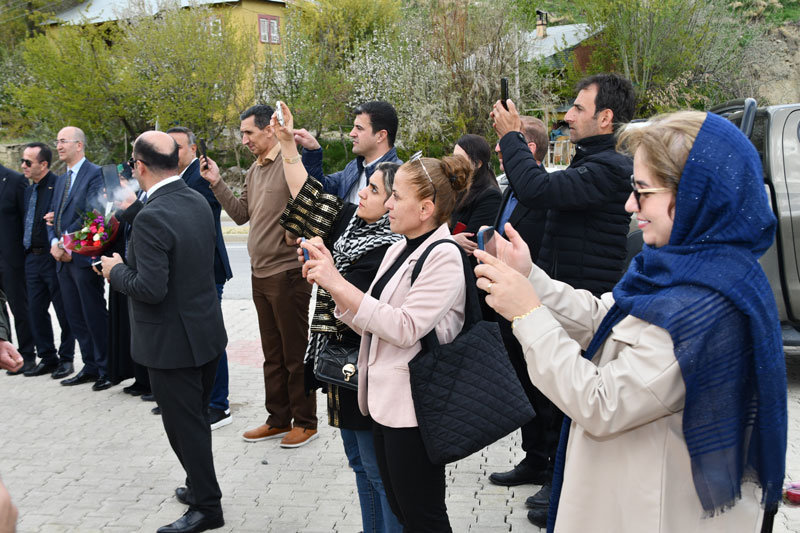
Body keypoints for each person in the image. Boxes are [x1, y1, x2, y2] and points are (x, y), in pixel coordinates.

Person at [474, 111, 786, 533]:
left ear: (696, 194)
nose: (628, 204)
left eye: (642, 191)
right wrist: (532, 279)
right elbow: (610, 319)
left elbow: (602, 403)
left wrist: (529, 314)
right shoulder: (680, 267)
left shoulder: (707, 307)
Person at [490, 73, 635, 524]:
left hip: (587, 299)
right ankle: (538, 459)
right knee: (539, 380)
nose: (567, 116)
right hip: (562, 291)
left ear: (605, 117)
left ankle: (562, 481)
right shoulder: (589, 161)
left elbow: (538, 190)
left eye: (577, 108)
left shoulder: (611, 168)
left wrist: (513, 137)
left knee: (567, 394)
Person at [300, 153, 472, 531]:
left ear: (426, 208)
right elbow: (376, 319)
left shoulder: (443, 255)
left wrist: (337, 283)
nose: (388, 204)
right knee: (401, 506)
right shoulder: (400, 246)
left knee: (422, 514)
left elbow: (406, 327)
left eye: (396, 196)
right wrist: (335, 289)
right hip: (383, 401)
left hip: (416, 408)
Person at [276, 102, 404, 533]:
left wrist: (328, 273)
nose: (361, 193)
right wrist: (286, 144)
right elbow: (308, 197)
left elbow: (366, 307)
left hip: (367, 370)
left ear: (395, 204)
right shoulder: (352, 225)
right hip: (339, 367)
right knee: (360, 468)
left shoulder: (392, 248)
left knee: (379, 473)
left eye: (372, 189)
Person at [103, 131, 227, 533]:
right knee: (193, 423)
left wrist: (114, 270)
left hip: (172, 343)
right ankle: (198, 486)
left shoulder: (155, 215)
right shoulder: (194, 198)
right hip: (205, 332)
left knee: (184, 428)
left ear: (139, 166)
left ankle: (207, 508)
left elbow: (150, 288)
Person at [200, 105, 317, 448]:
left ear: (270, 130)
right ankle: (278, 419)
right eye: (242, 133)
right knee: (272, 353)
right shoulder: (255, 169)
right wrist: (217, 182)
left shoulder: (291, 163)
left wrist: (294, 231)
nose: (244, 139)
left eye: (249, 132)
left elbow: (308, 202)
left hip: (288, 274)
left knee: (294, 354)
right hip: (260, 274)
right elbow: (240, 215)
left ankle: (306, 423)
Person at [167, 127, 234, 430]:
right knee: (191, 339)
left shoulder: (201, 177)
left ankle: (219, 404)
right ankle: (198, 400)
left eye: (177, 147)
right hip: (187, 274)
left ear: (193, 149)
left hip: (207, 271)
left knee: (209, 339)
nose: (171, 153)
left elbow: (201, 220)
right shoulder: (178, 179)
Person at [47, 126, 111, 390]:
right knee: (74, 315)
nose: (59, 146)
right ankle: (90, 365)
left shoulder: (95, 174)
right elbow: (51, 216)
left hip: (83, 258)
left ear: (79, 145)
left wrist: (66, 243)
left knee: (93, 314)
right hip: (63, 259)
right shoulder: (61, 180)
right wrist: (53, 241)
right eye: (58, 141)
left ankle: (107, 368)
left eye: (64, 141)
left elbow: (95, 216)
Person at [19, 143, 76, 378]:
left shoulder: (59, 186)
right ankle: (47, 356)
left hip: (53, 257)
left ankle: (67, 359)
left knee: (64, 310)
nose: (23, 166)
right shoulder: (28, 190)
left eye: (28, 162)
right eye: (22, 161)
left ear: (43, 164)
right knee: (35, 310)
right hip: (31, 258)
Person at [294, 101, 401, 202]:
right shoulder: (354, 167)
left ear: (381, 136)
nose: (351, 133)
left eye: (359, 128)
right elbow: (321, 190)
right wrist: (312, 151)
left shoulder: (397, 179)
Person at [0, 162, 35, 376]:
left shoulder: (14, 180)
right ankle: (6, 350)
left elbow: (27, 220)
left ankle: (27, 355)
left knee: (19, 307)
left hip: (11, 258)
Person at [449, 134, 501, 256]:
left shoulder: (490, 196)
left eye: (459, 159)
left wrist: (448, 239)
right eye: (453, 158)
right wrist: (452, 239)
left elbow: (470, 244)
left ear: (477, 163)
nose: (454, 164)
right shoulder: (458, 187)